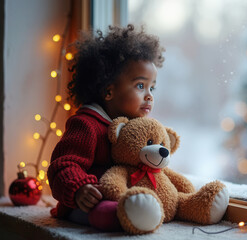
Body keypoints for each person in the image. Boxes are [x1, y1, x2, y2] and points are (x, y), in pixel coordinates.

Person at [47, 24, 165, 231]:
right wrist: (79, 188)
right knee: (106, 211)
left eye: (152, 87)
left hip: (121, 194)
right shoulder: (86, 124)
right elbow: (62, 165)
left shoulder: (134, 129)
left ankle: (141, 210)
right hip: (88, 202)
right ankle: (130, 213)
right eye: (140, 86)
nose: (149, 95)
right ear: (108, 92)